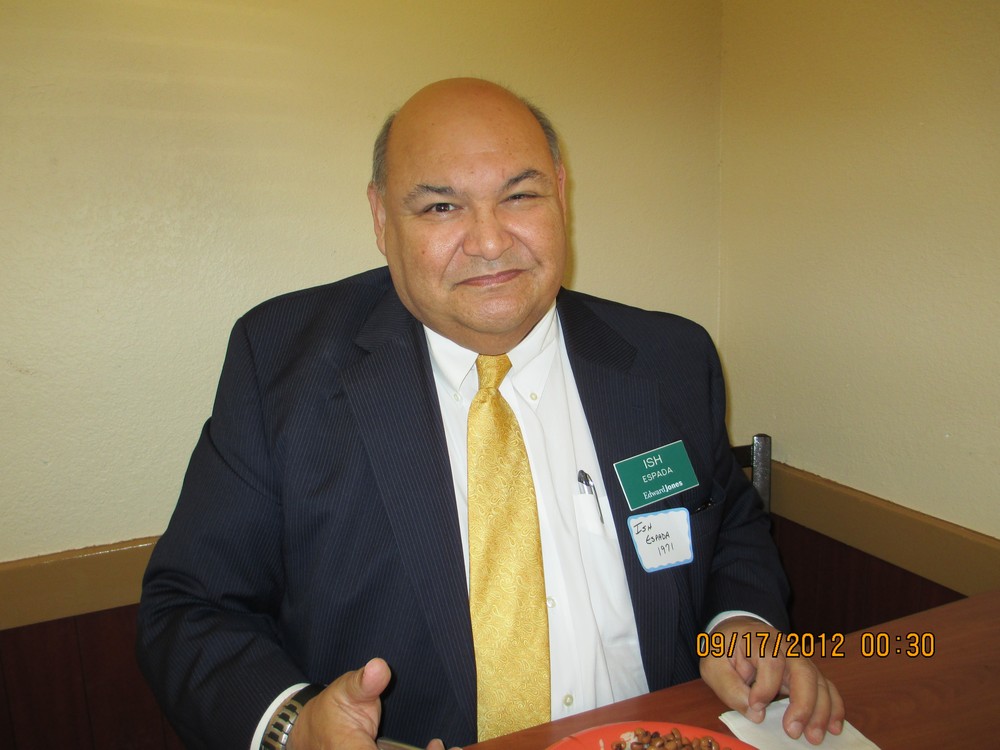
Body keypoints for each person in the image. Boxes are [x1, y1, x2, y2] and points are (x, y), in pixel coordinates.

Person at [137, 78, 844, 750]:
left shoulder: (670, 358)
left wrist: (739, 620)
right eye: (441, 207)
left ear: (561, 193)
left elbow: (726, 519)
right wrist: (293, 727)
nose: (490, 240)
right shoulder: (282, 365)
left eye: (520, 195)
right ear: (381, 218)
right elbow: (189, 605)